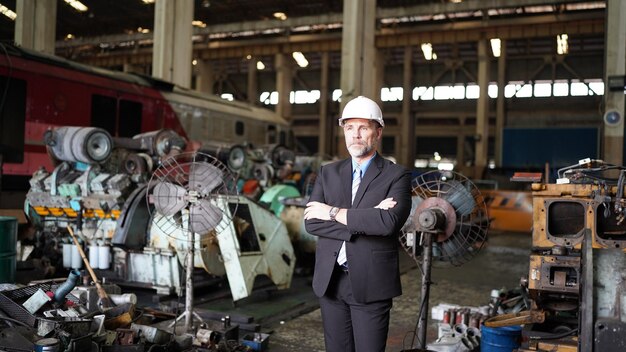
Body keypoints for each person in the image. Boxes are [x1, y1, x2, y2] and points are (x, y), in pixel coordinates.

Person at [303, 96, 412, 352]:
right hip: (331, 281)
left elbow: (387, 223)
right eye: (350, 128)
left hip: (371, 282)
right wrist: (367, 217)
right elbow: (311, 223)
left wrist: (331, 212)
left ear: (378, 131)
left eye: (363, 127)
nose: (356, 135)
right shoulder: (328, 172)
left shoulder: (396, 175)